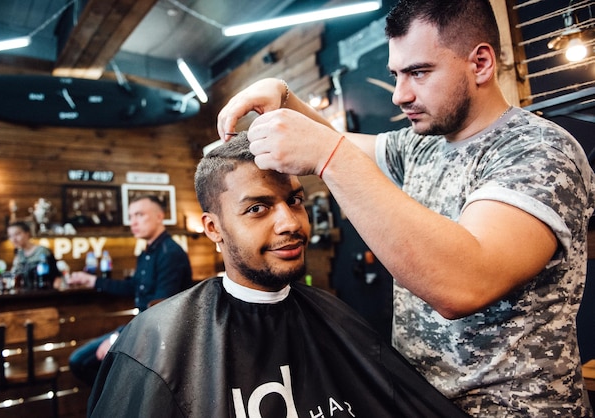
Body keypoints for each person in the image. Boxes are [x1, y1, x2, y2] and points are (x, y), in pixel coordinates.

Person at [216, 1, 595, 416]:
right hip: (422, 406)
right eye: (397, 75)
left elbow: (463, 284)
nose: (400, 95)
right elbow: (343, 145)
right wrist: (285, 96)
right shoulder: (421, 145)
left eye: (419, 72)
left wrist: (328, 156)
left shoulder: (538, 149)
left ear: (481, 63)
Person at [87, 134, 468, 417]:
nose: (290, 222)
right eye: (257, 208)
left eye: (295, 201)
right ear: (213, 227)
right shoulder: (157, 344)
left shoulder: (335, 316)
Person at [67, 195, 193, 386]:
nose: (133, 222)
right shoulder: (145, 253)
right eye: (131, 216)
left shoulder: (170, 253)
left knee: (81, 363)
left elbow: (161, 309)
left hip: (159, 338)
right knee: (79, 361)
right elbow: (133, 286)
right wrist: (93, 281)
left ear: (160, 216)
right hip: (140, 329)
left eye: (140, 215)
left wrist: (118, 338)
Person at [7, 221, 60, 289]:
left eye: (17, 234)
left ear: (27, 233)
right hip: (24, 295)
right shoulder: (19, 254)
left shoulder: (42, 251)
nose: (13, 239)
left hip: (43, 293)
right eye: (10, 236)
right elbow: (14, 274)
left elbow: (56, 276)